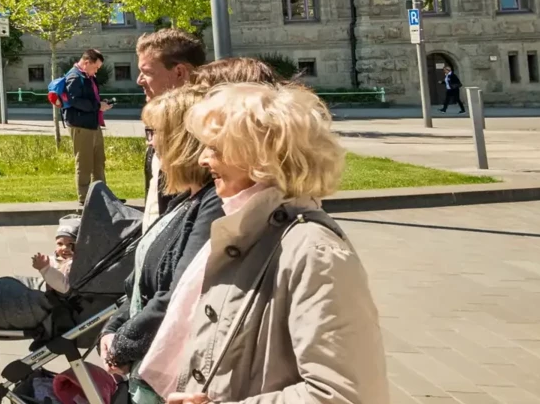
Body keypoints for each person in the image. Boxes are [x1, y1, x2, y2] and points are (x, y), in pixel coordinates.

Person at [149, 84, 388, 403]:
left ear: (261, 156)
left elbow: (343, 394)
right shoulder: (247, 229)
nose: (204, 159)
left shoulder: (313, 251)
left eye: (215, 148)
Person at [102, 59, 280, 388]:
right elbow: (142, 283)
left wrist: (123, 343)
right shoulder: (189, 199)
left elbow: (182, 291)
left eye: (154, 133)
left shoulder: (214, 203)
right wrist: (114, 328)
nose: (150, 143)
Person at [134, 29, 207, 220]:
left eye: (146, 72)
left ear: (179, 72)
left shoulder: (205, 133)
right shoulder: (160, 123)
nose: (139, 81)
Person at [62, 49, 115, 204]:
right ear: (86, 63)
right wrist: (98, 106)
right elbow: (74, 101)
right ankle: (85, 198)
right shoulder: (74, 77)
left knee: (99, 161)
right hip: (81, 125)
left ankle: (103, 197)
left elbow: (89, 98)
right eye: (95, 67)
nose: (96, 70)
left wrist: (101, 103)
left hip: (93, 124)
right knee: (84, 163)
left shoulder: (87, 76)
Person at [31, 217, 78, 294]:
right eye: (60, 244)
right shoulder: (55, 258)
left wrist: (45, 269)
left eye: (70, 244)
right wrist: (42, 263)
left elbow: (63, 286)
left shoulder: (74, 264)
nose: (65, 248)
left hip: (58, 299)